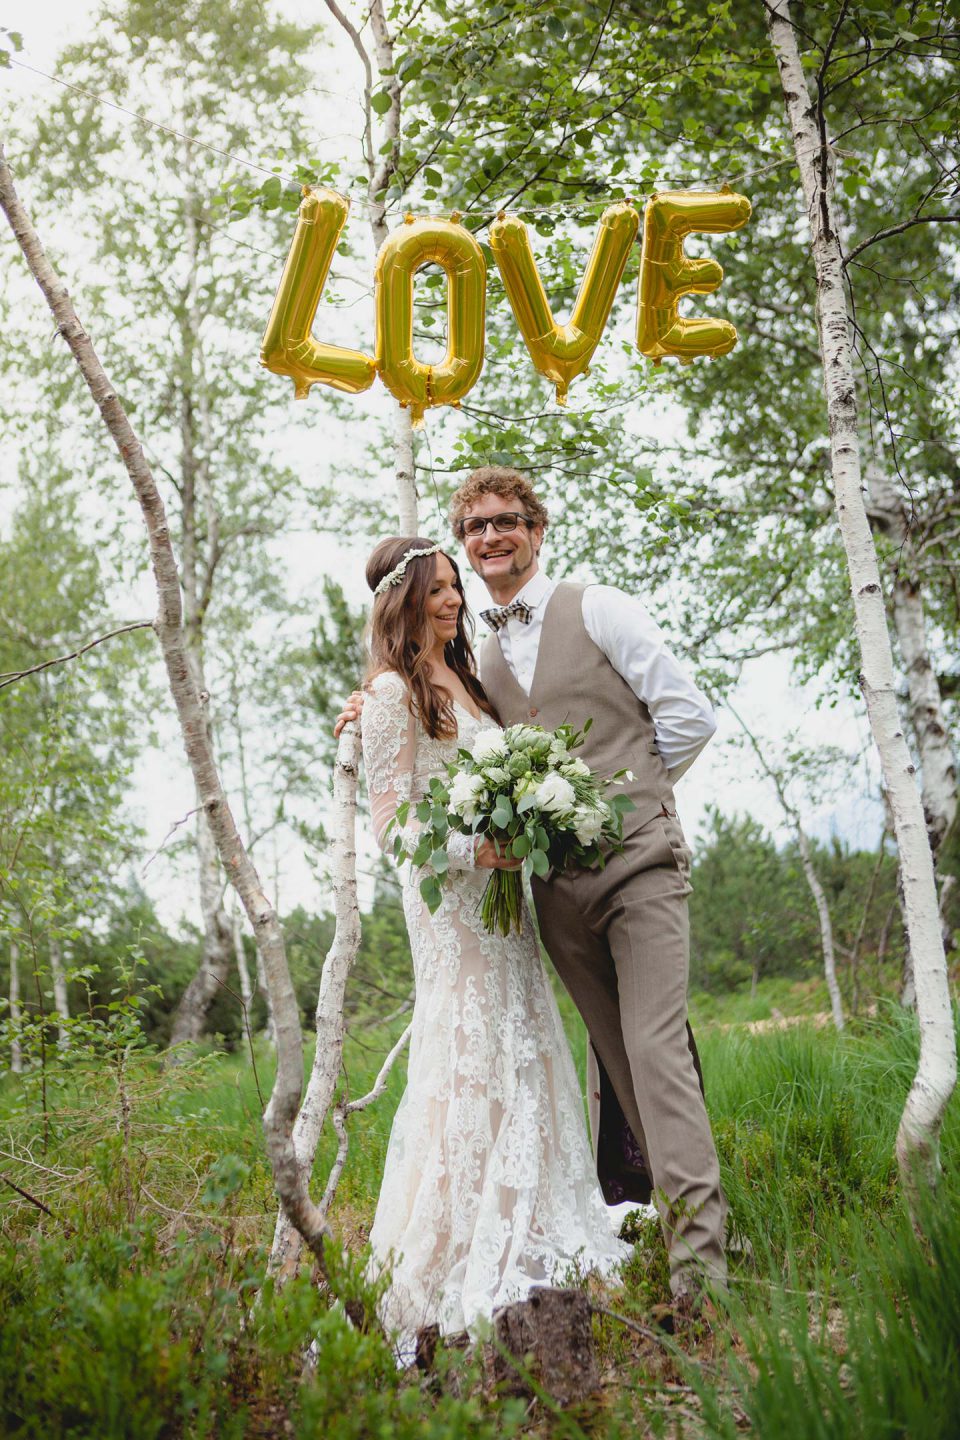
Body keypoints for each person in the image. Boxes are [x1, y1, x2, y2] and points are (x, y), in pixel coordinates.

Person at [338, 470, 727, 1315]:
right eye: (470, 532)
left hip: (631, 863)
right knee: (588, 1066)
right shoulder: (450, 666)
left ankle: (704, 1270)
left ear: (537, 530)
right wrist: (370, 714)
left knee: (651, 1051)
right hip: (515, 901)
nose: (485, 545)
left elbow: (689, 717)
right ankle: (535, 1229)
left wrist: (637, 802)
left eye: (505, 523)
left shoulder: (594, 611)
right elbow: (403, 775)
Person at [357, 534, 629, 1355]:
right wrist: (474, 852)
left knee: (523, 1036)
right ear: (399, 602)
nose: (451, 600)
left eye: (452, 588)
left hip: (503, 901)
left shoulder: (465, 678)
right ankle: (450, 1251)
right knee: (469, 1048)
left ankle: (533, 1219)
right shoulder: (387, 694)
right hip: (451, 903)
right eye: (436, 589)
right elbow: (391, 825)